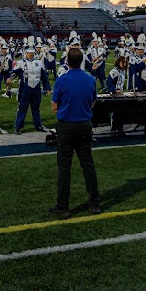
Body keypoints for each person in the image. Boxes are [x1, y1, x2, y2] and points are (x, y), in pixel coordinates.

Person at [49, 47, 101, 219]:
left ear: (67, 61)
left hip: (67, 126)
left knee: (64, 167)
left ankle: (63, 207)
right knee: (87, 164)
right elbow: (93, 102)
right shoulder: (90, 79)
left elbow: (54, 106)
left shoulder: (61, 80)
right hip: (85, 124)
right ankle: (94, 203)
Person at [12, 43, 48, 134]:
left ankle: (38, 125)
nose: (30, 54)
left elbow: (44, 76)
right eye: (28, 53)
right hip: (25, 88)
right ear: (25, 53)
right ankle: (18, 127)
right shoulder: (20, 62)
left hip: (36, 88)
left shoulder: (39, 63)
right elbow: (14, 73)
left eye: (32, 53)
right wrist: (10, 78)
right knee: (22, 107)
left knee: (36, 108)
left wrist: (47, 87)